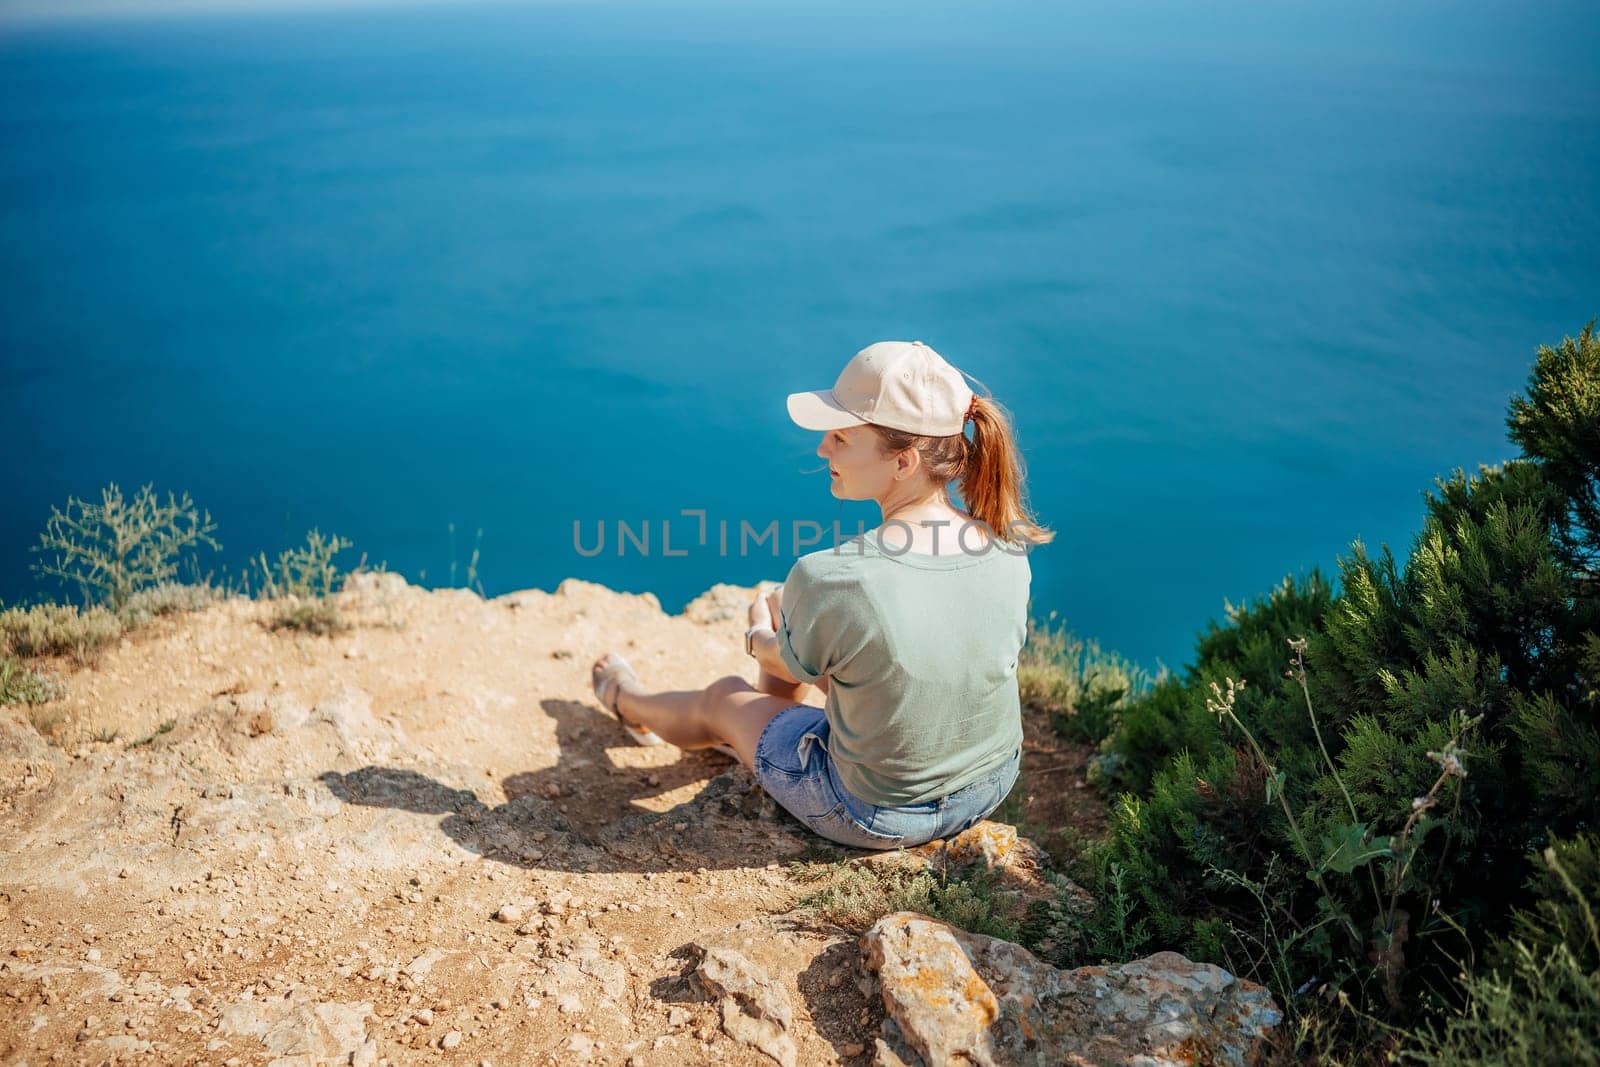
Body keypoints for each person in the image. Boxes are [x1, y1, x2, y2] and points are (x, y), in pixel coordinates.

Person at [590, 339, 1053, 849]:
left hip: (878, 811)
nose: (822, 449)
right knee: (800, 614)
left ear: (905, 462)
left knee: (724, 694)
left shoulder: (834, 576)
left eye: (840, 438)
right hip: (988, 784)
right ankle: (763, 738)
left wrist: (757, 635)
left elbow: (786, 663)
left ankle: (626, 700)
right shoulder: (1004, 546)